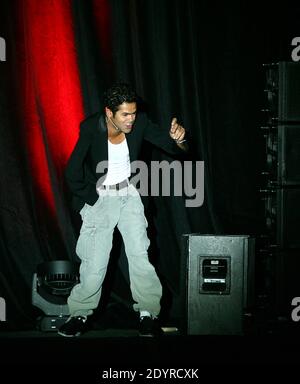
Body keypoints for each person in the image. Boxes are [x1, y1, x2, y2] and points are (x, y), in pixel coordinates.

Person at [58, 82, 187, 337]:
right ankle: (79, 315)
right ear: (109, 112)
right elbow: (72, 171)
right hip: (101, 198)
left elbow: (174, 148)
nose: (131, 119)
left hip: (129, 194)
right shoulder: (91, 127)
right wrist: (92, 198)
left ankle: (148, 314)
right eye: (125, 114)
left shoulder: (140, 123)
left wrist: (180, 140)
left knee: (140, 255)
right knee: (95, 263)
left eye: (134, 113)